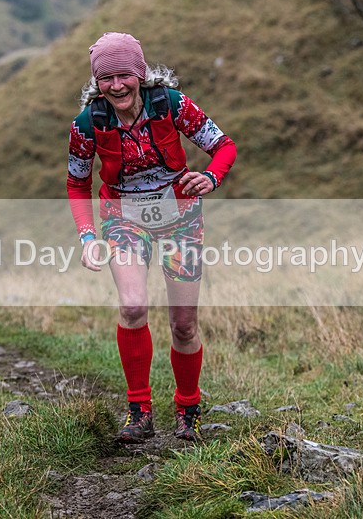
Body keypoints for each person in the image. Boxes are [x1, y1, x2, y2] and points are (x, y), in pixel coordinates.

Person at [67, 32, 236, 443]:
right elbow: (77, 184)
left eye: (124, 75)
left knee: (183, 324)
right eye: (106, 78)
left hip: (180, 219)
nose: (117, 86)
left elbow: (224, 146)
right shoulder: (88, 124)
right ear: (97, 83)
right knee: (132, 306)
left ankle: (188, 410)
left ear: (140, 74)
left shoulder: (172, 105)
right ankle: (139, 411)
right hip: (123, 219)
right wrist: (89, 236)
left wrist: (210, 177)